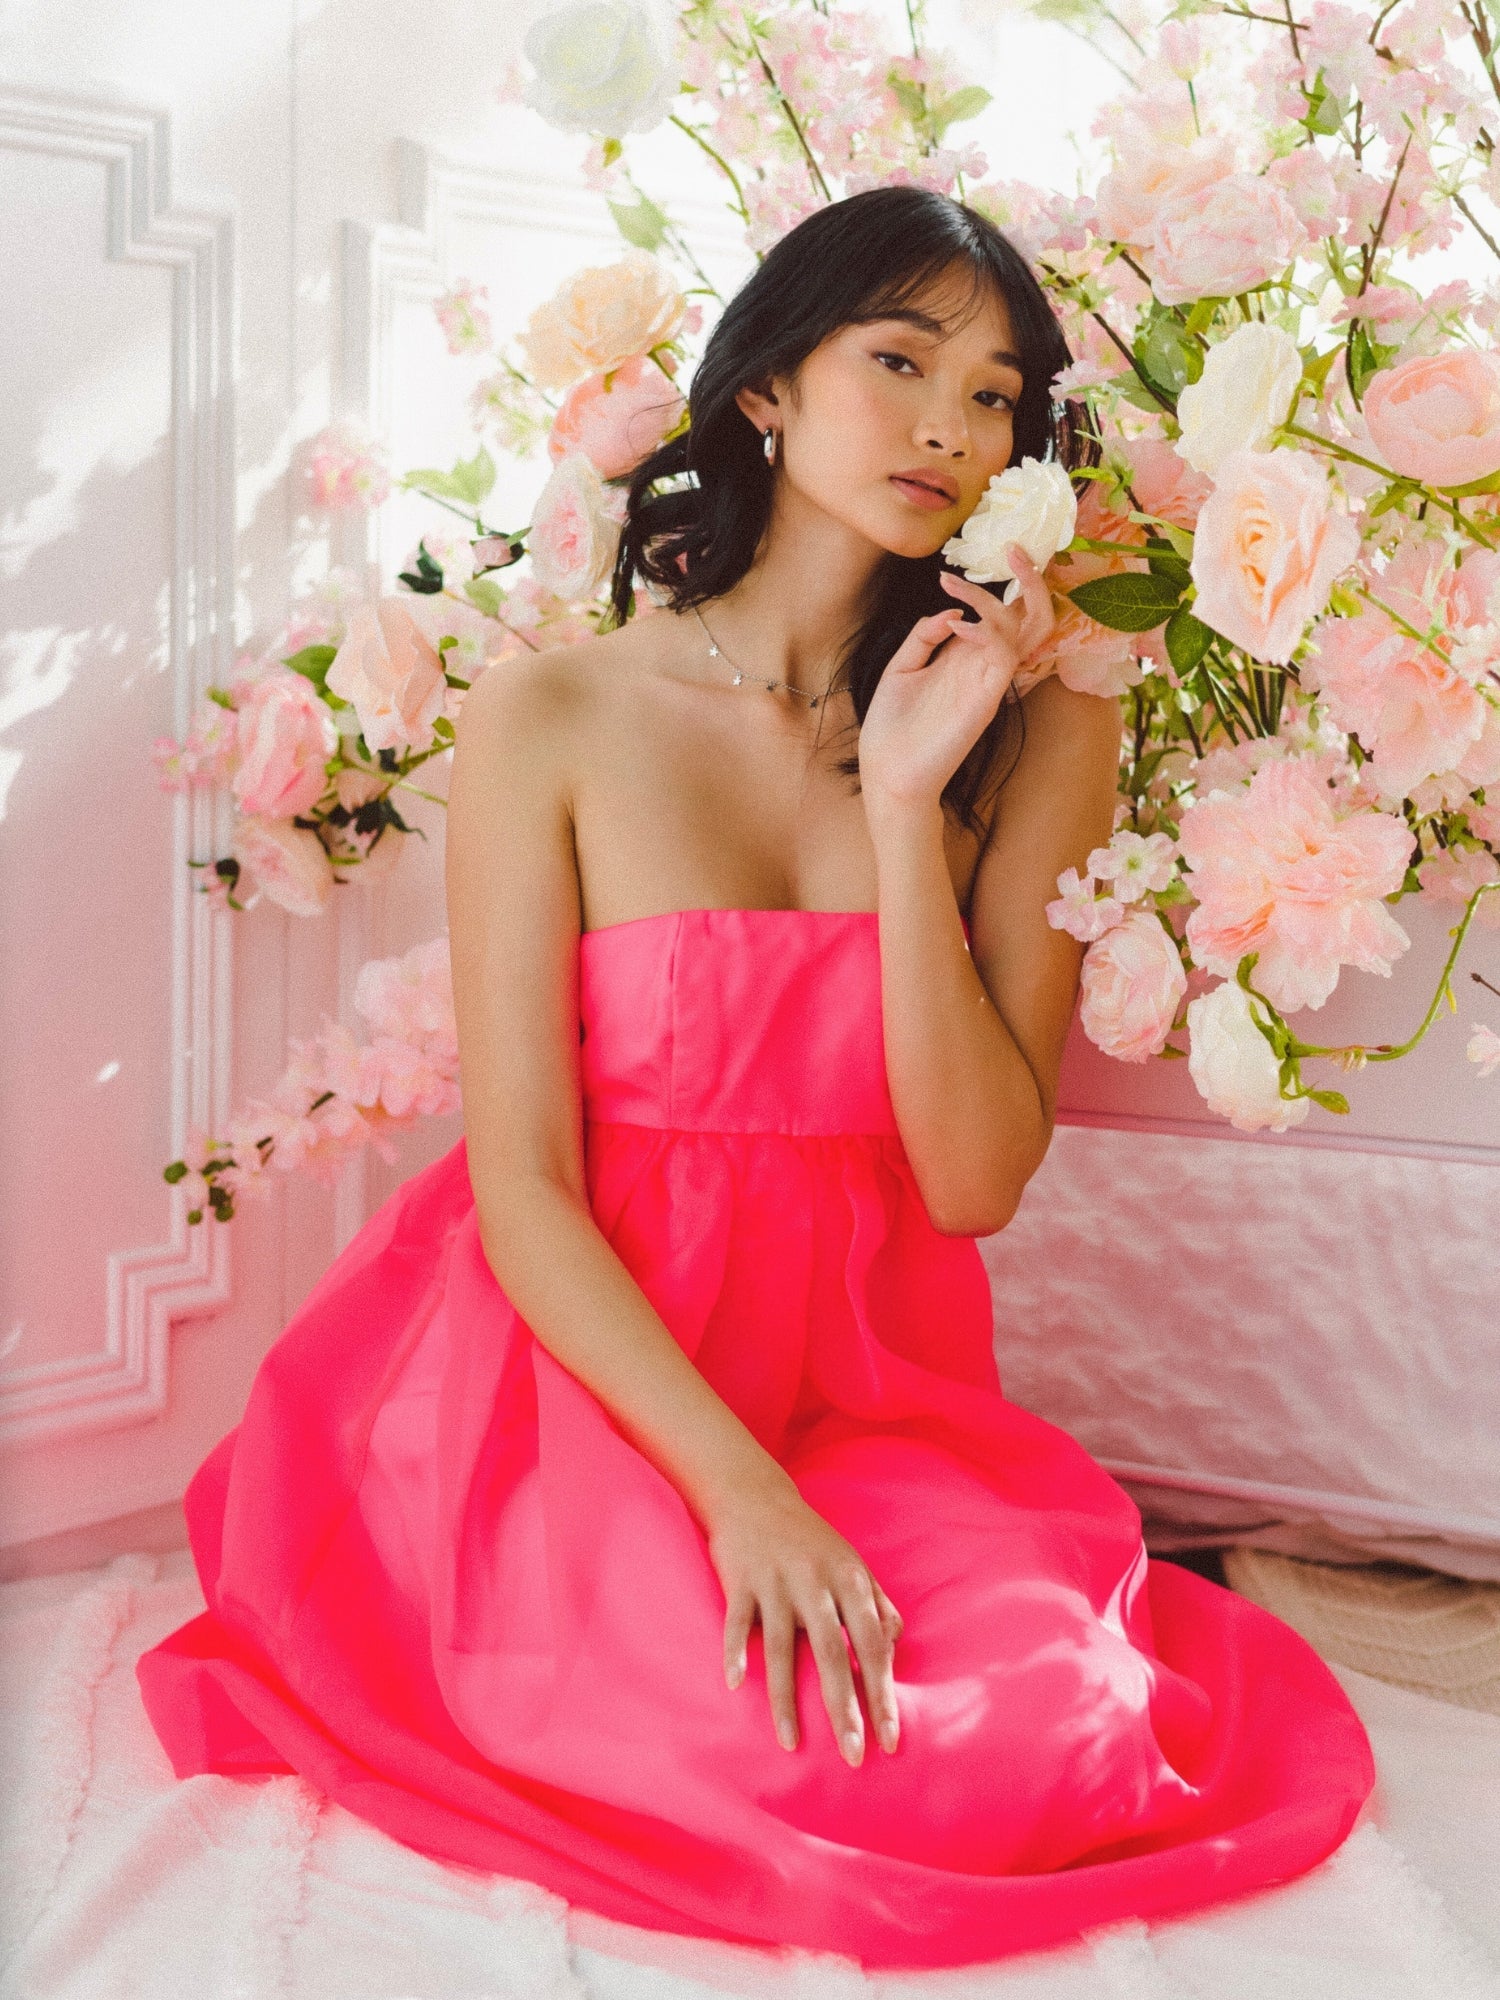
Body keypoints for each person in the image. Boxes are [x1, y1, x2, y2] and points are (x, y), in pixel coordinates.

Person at [137, 186, 1375, 1971]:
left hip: (872, 1393)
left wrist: (896, 812)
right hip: (584, 1384)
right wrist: (743, 1498)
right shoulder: (556, 716)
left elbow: (968, 1185)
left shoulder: (1042, 737)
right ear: (769, 390)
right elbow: (525, 1188)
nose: (957, 426)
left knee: (1040, 1742)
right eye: (902, 362)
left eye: (1002, 394)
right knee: (772, 1740)